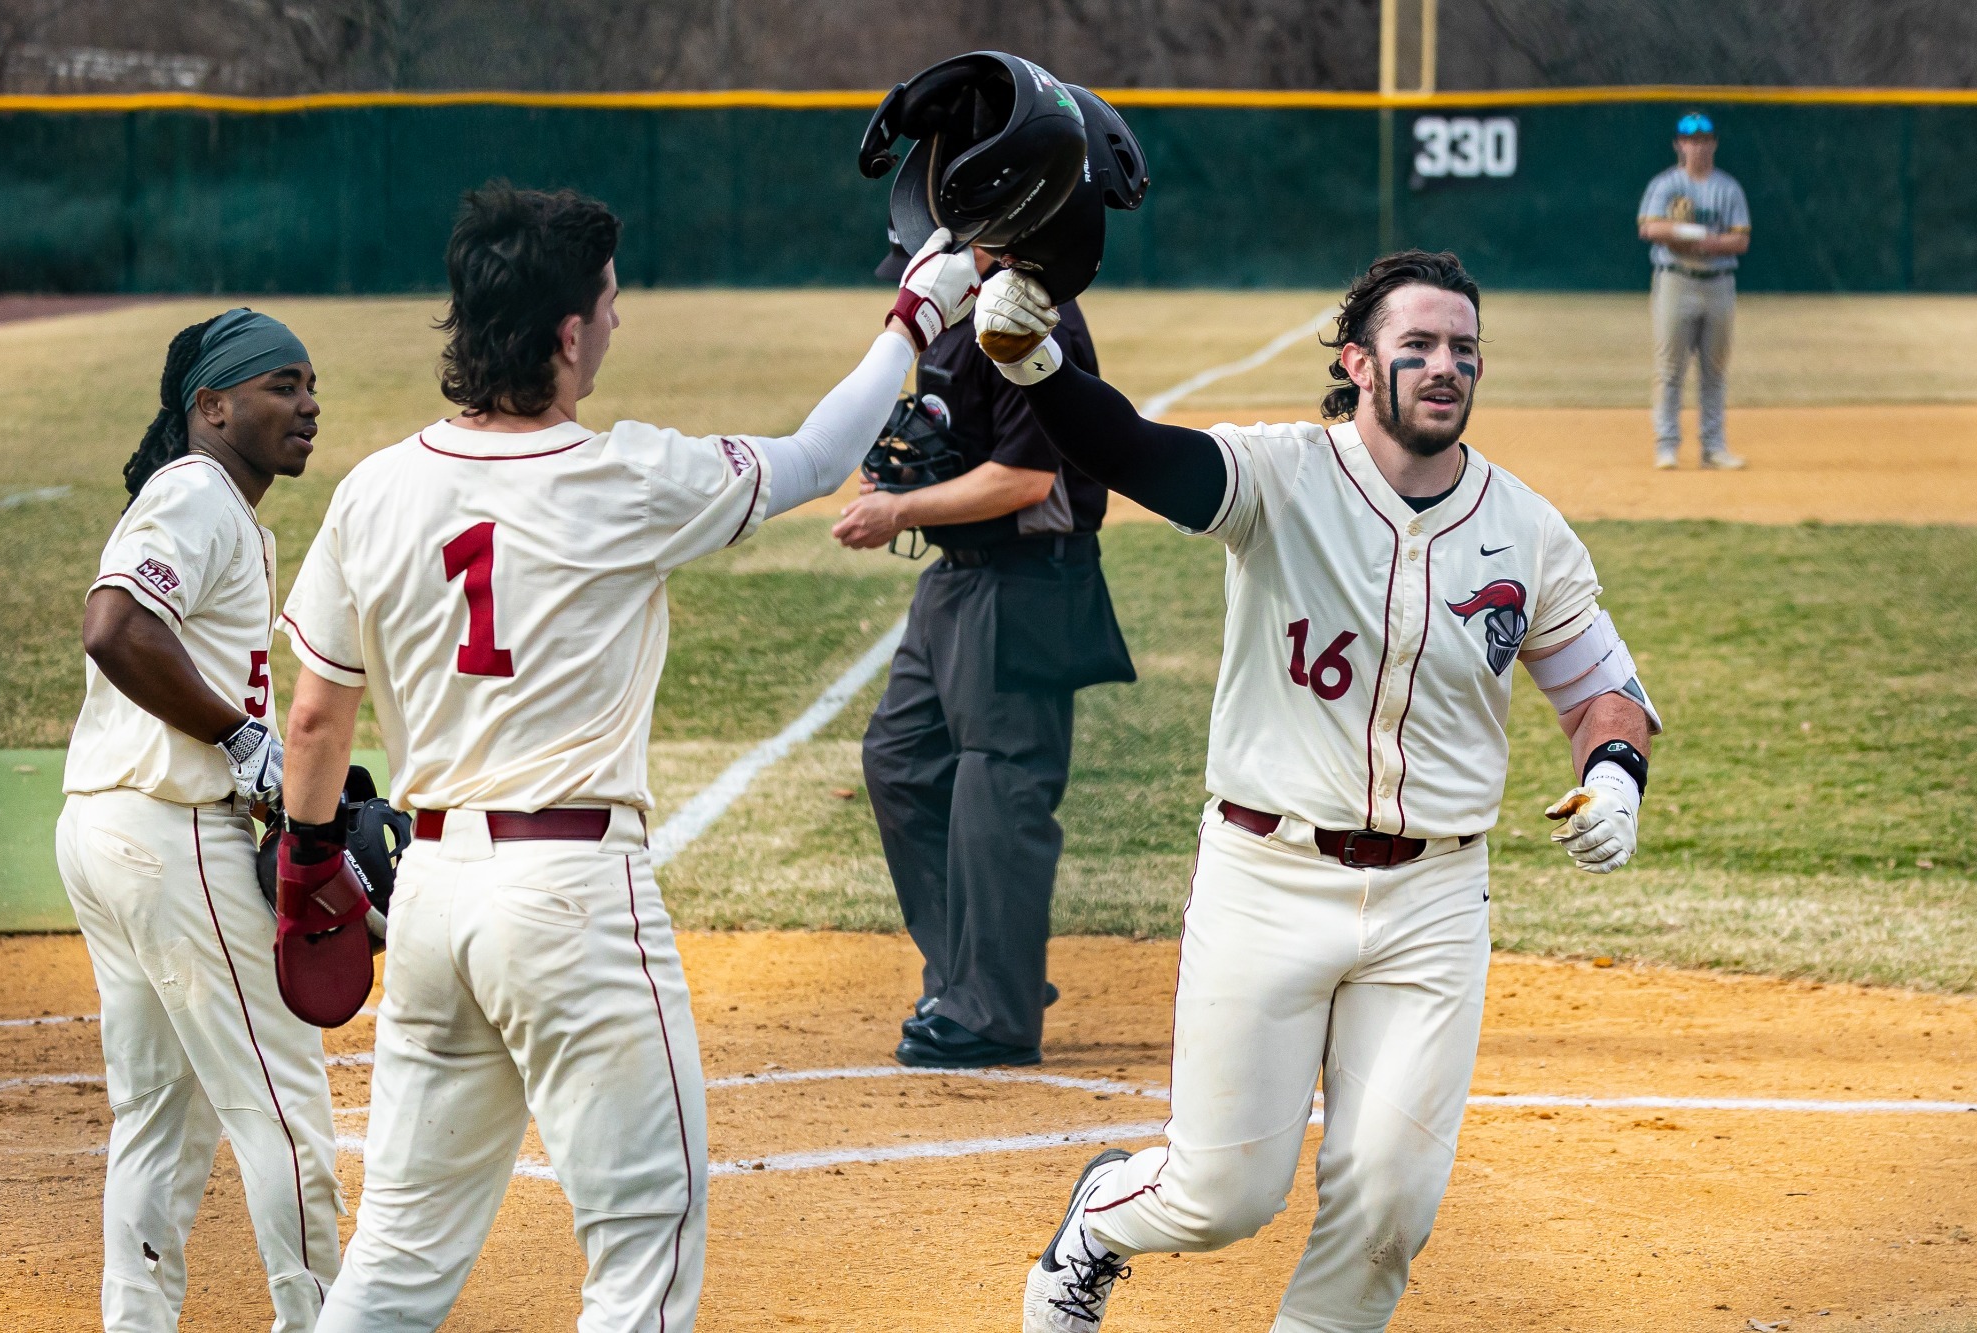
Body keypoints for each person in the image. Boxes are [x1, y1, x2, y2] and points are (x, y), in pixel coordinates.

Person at [275, 183, 978, 1332]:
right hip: (570, 900)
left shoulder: (374, 488)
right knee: (643, 1256)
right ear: (565, 335)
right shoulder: (626, 475)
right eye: (605, 302)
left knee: (395, 1261)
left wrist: (307, 864)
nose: (616, 320)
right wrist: (911, 320)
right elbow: (816, 456)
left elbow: (314, 721)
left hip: (434, 898)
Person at [972, 251, 1662, 1333]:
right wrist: (1037, 365)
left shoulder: (1525, 530)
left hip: (1433, 900)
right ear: (1357, 362)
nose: (1445, 366)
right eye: (1417, 345)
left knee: (1389, 1203)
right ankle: (1099, 1224)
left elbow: (1605, 695)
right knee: (1222, 1195)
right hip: (1267, 876)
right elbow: (1134, 451)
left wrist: (1614, 778)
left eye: (1463, 348)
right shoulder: (1280, 476)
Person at [55, 309, 341, 1332]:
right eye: (282, 385)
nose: (308, 404)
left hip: (113, 829)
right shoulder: (196, 492)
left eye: (310, 385)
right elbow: (115, 627)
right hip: (170, 833)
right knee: (286, 1108)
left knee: (161, 1114)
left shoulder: (220, 508)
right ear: (211, 406)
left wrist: (253, 762)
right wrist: (239, 738)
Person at [835, 242, 1132, 1070]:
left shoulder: (1028, 317)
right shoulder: (955, 323)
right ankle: (977, 971)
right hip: (958, 578)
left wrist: (900, 511)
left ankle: (993, 1011)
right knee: (900, 761)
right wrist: (911, 495)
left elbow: (1025, 479)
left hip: (1026, 581)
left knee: (997, 787)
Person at [1638, 110, 1751, 470]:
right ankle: (1666, 446)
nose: (1697, 147)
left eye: (1703, 140)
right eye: (1690, 140)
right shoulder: (1666, 184)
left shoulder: (1728, 188)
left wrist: (1698, 240)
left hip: (1718, 283)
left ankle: (1713, 448)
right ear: (1679, 145)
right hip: (1676, 280)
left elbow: (1740, 239)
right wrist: (1692, 234)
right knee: (1669, 369)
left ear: (1713, 144)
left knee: (1714, 370)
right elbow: (1650, 228)